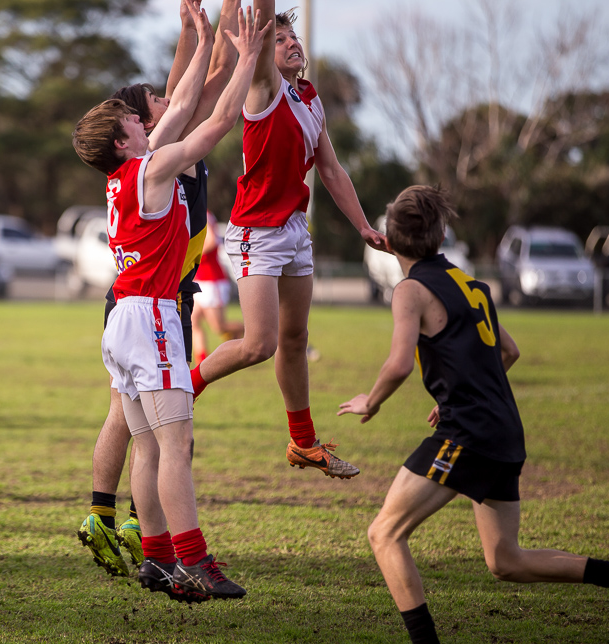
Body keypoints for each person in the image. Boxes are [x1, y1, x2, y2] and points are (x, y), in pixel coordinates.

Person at [337, 186, 609, 644]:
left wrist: (372, 400)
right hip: (502, 430)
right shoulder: (470, 284)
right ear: (441, 235)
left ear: (388, 238)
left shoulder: (410, 290)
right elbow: (509, 351)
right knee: (506, 561)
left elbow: (400, 363)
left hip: (467, 434)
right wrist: (460, 396)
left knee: (384, 534)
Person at [72, 3, 268, 601]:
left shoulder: (123, 178)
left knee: (153, 444)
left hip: (123, 322)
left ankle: (157, 561)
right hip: (152, 317)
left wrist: (206, 38)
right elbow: (217, 116)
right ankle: (194, 561)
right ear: (124, 139)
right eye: (133, 120)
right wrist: (248, 55)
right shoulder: (150, 171)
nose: (145, 120)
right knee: (176, 444)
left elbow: (184, 103)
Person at [189, 2, 387, 480]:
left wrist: (362, 225)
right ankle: (182, 388)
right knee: (259, 344)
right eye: (278, 40)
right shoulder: (264, 85)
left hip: (296, 230)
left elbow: (332, 170)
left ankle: (304, 443)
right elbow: (263, 11)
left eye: (292, 38)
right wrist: (263, 25)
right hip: (257, 230)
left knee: (294, 340)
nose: (291, 43)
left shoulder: (309, 99)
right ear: (261, 50)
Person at [191, 212, 243, 364]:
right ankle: (202, 363)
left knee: (218, 327)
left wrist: (192, 254)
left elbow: (212, 240)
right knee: (193, 321)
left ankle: (258, 334)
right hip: (199, 280)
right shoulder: (188, 210)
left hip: (212, 281)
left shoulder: (204, 214)